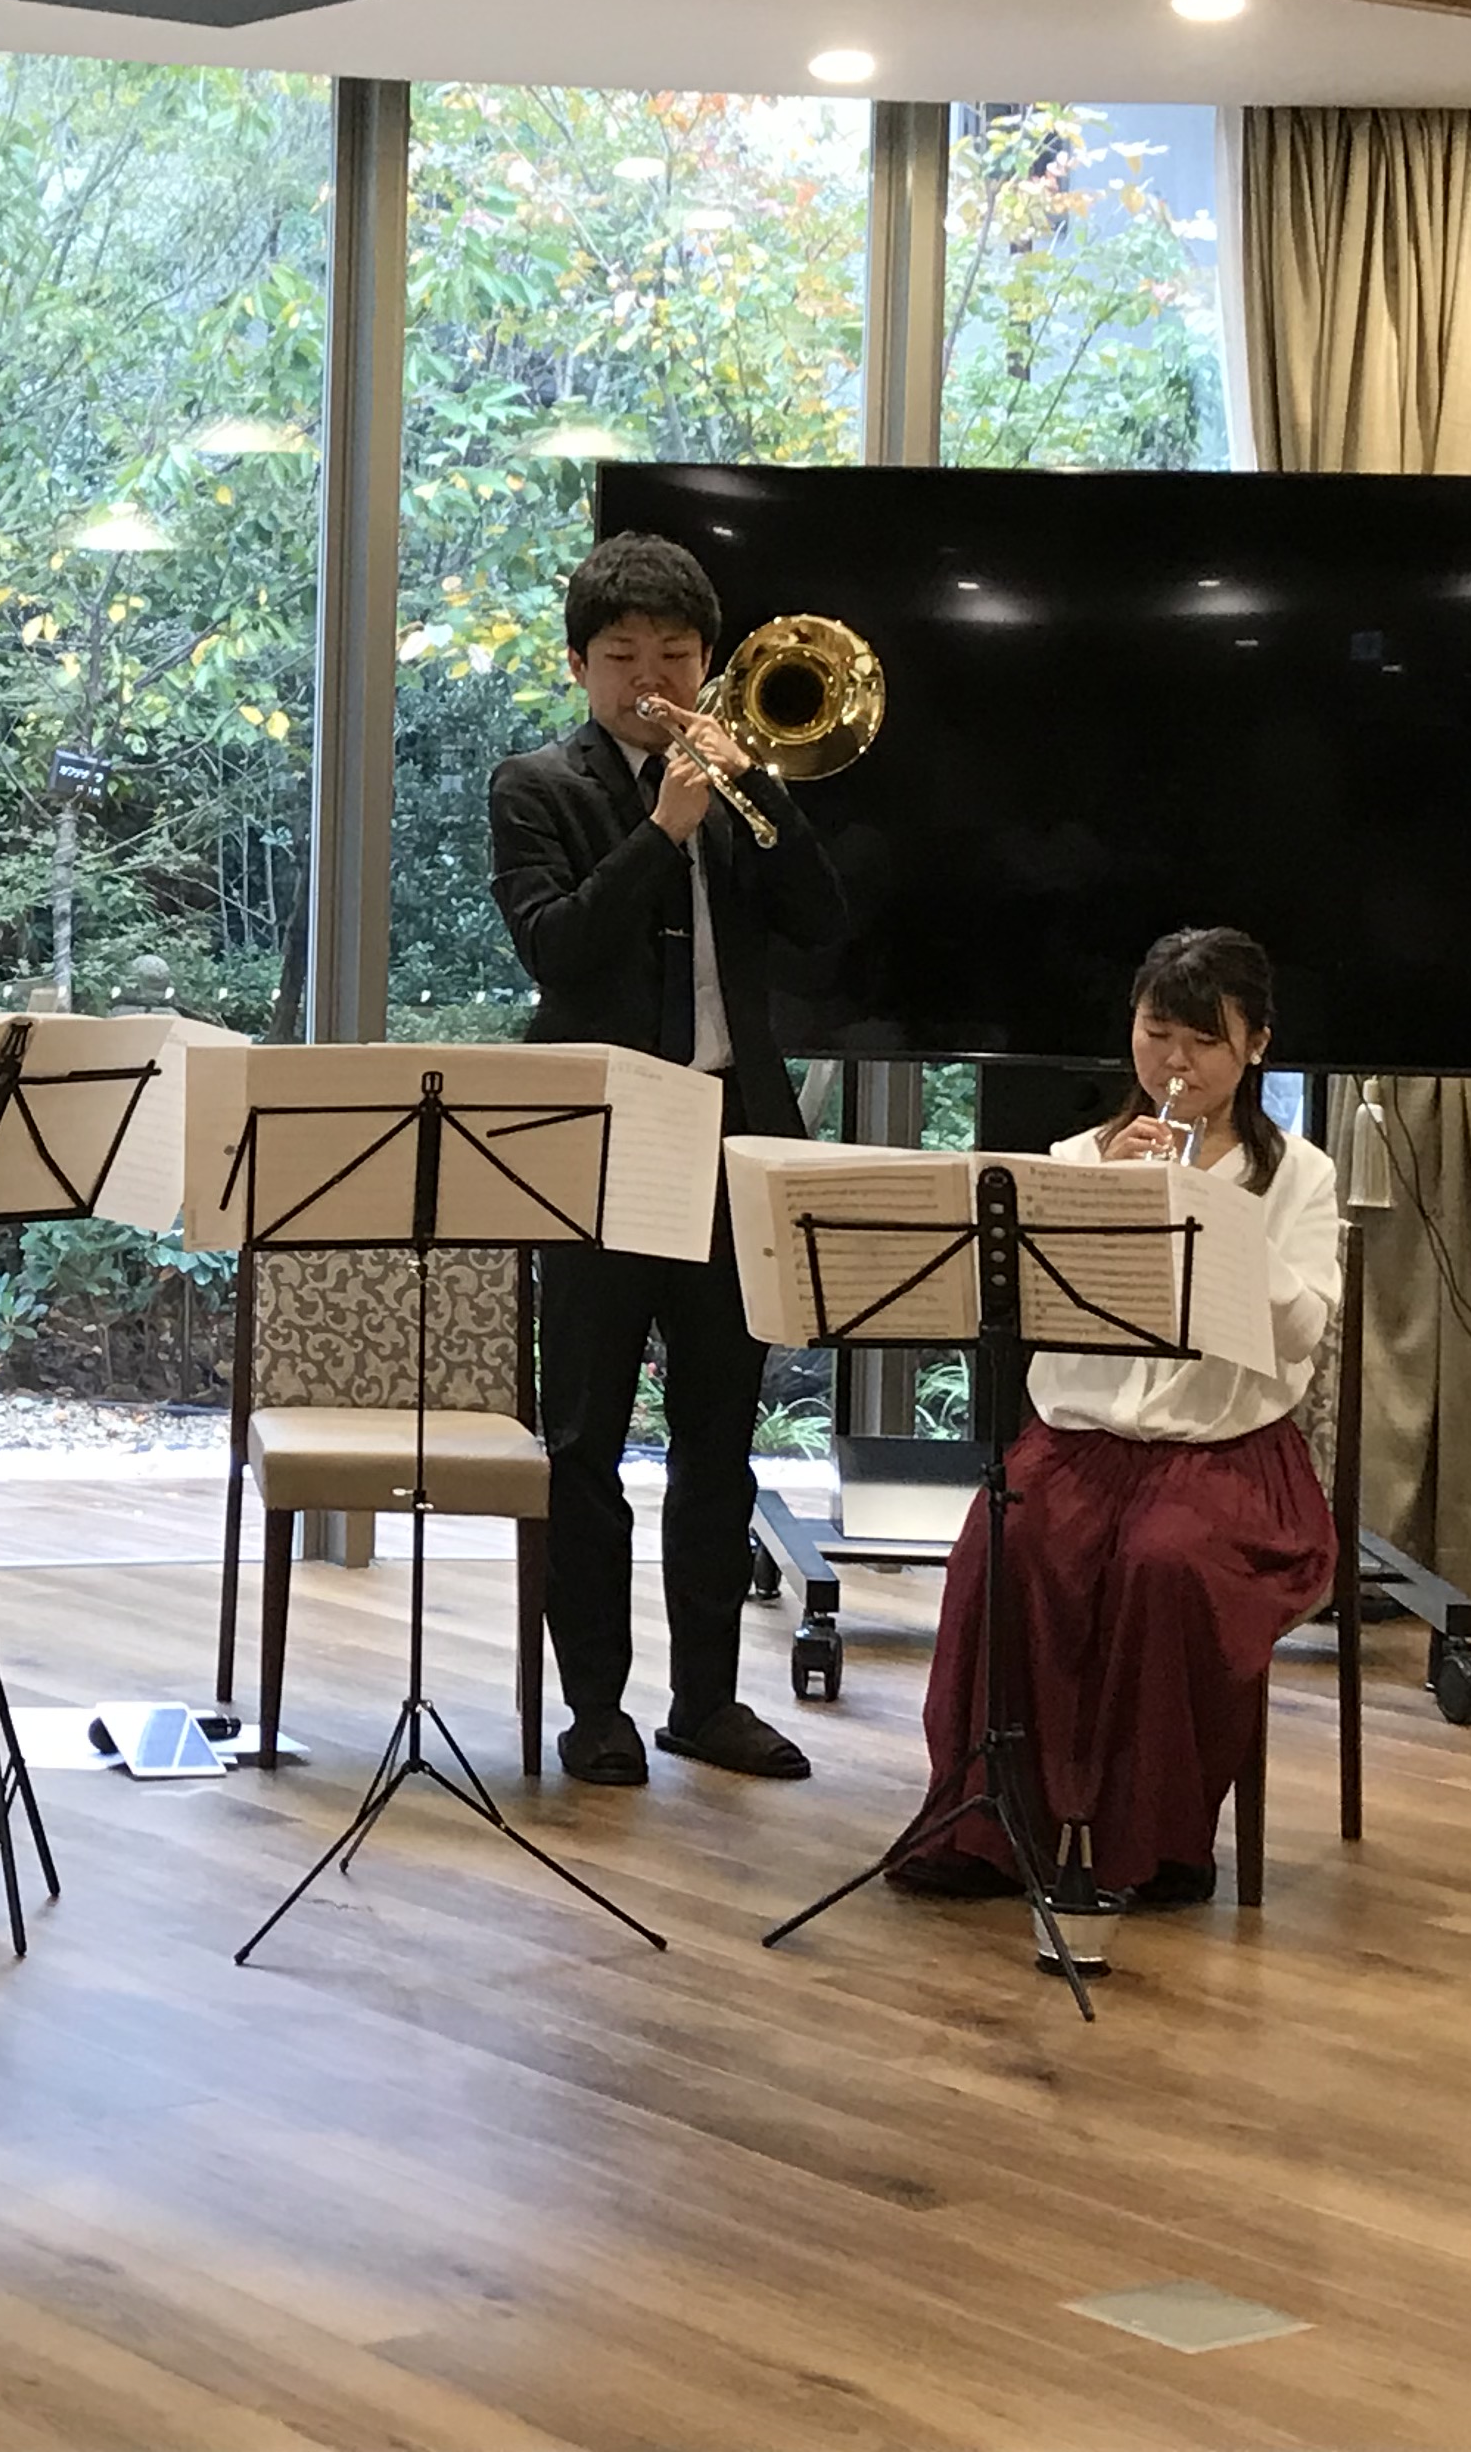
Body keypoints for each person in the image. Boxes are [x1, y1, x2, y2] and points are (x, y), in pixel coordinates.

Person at [487, 529, 849, 1788]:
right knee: (585, 1440)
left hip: (731, 1136)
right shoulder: (539, 786)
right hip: (599, 1139)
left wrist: (764, 798)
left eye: (678, 654)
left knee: (718, 1441)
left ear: (712, 661)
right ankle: (596, 1708)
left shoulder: (744, 781)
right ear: (580, 665)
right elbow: (557, 948)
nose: (653, 678)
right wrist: (662, 827)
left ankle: (708, 1703)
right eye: (624, 655)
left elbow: (822, 926)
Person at [894, 927, 1339, 1910]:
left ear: (1256, 1046)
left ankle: (1158, 1842)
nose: (1176, 1063)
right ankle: (990, 1826)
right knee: (1003, 1546)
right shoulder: (1076, 1160)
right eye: (1157, 1033)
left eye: (1205, 1041)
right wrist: (1102, 1199)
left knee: (1165, 1564)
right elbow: (1032, 1318)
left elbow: (1303, 1329)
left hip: (1225, 1452)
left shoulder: (1298, 1175)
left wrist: (1206, 1211)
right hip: (1079, 1444)